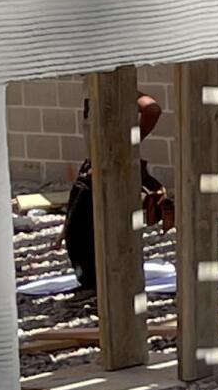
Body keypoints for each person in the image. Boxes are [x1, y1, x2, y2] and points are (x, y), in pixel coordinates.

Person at [65, 92, 176, 307]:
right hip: (93, 165)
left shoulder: (116, 86)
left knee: (97, 227)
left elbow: (152, 109)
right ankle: (90, 281)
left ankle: (98, 285)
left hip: (110, 167)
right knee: (78, 229)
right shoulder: (91, 88)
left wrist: (128, 145)